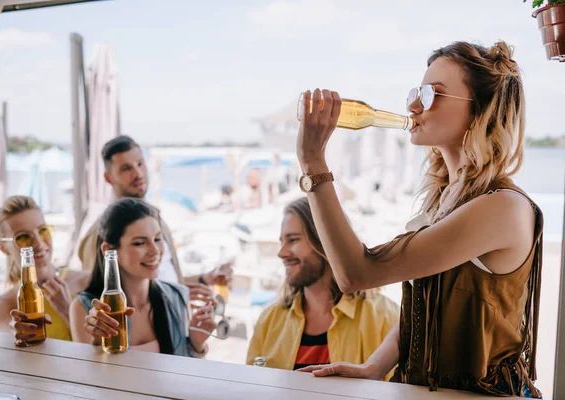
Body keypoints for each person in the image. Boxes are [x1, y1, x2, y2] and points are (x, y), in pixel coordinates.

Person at [295, 41, 543, 398]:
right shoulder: (447, 198)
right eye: (418, 92)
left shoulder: (501, 207)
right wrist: (375, 367)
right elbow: (427, 300)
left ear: (480, 111)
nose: (413, 105)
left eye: (433, 94)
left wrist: (313, 162)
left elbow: (357, 273)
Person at [246, 197, 398, 374]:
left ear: (326, 242)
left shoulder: (385, 317)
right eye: (282, 242)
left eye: (293, 240)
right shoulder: (269, 320)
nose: (282, 253)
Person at [77, 136, 232, 295]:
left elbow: (163, 281)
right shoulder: (102, 233)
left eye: (140, 164)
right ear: (109, 178)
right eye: (126, 168)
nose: (137, 173)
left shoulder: (154, 219)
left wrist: (203, 280)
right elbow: (98, 296)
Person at [70, 198, 215, 356]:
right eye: (140, 243)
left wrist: (196, 344)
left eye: (158, 239)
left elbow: (183, 373)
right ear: (109, 250)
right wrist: (97, 344)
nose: (155, 251)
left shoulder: (177, 296)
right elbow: (88, 377)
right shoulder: (85, 309)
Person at [0, 196, 90, 344]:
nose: (39, 243)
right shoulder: (3, 306)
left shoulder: (86, 281)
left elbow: (101, 351)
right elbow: (15, 357)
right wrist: (16, 336)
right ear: (3, 248)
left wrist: (69, 312)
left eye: (43, 231)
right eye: (23, 237)